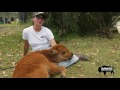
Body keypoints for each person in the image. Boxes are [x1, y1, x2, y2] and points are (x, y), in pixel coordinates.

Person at [22, 12, 88, 68]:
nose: (40, 20)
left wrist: (57, 55)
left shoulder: (47, 31)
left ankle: (75, 57)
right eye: (38, 17)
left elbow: (54, 45)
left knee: (55, 65)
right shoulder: (26, 31)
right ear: (33, 18)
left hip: (49, 53)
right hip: (37, 54)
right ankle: (70, 58)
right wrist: (24, 57)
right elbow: (26, 46)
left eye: (42, 18)